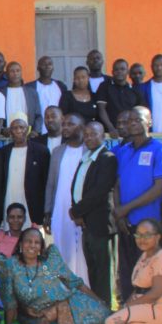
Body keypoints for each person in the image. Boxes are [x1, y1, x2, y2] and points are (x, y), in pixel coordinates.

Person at [0, 228, 111, 324]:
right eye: (28, 241)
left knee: (104, 318)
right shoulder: (11, 265)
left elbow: (75, 282)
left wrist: (99, 301)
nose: (32, 245)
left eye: (37, 242)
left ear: (41, 247)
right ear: (21, 244)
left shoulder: (49, 263)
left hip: (71, 306)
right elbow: (9, 301)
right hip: (36, 318)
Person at [113, 107, 162, 301]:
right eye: (130, 120)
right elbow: (117, 184)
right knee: (127, 273)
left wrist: (126, 209)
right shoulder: (123, 151)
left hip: (147, 225)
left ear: (149, 122)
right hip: (125, 224)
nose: (133, 124)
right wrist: (119, 213)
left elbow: (158, 188)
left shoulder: (159, 150)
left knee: (147, 273)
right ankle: (128, 311)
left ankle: (148, 312)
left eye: (138, 119)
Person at [69, 121, 118, 305]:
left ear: (103, 136)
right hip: (86, 224)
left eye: (93, 134)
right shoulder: (87, 157)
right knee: (93, 270)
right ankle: (97, 308)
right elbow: (79, 187)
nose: (89, 138)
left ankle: (106, 310)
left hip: (100, 225)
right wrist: (78, 213)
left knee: (103, 273)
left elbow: (99, 191)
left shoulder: (107, 158)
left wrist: (76, 210)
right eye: (86, 135)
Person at [44, 113, 88, 282]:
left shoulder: (88, 150)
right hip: (60, 209)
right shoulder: (58, 151)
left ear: (81, 128)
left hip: (82, 211)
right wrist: (47, 211)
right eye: (64, 124)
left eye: (71, 124)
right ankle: (63, 286)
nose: (66, 127)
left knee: (81, 251)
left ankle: (83, 286)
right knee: (62, 248)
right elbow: (50, 183)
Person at [0, 115, 49, 226]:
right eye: (14, 128)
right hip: (9, 199)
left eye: (21, 127)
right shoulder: (3, 152)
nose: (18, 131)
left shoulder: (41, 151)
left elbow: (45, 181)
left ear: (27, 129)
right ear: (10, 131)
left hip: (33, 203)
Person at [96, 58, 144, 139]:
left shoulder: (134, 90)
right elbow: (101, 109)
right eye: (116, 69)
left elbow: (138, 113)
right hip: (110, 134)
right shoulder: (104, 86)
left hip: (130, 134)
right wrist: (111, 128)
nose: (119, 72)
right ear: (112, 72)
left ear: (128, 72)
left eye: (122, 69)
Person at [1, 61, 42, 135]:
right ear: (6, 74)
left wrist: (35, 131)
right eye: (12, 71)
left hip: (28, 135)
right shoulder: (0, 93)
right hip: (7, 136)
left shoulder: (31, 92)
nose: (15, 74)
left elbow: (38, 115)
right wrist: (2, 130)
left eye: (18, 71)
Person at [27, 57, 66, 130]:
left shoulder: (61, 86)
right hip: (37, 130)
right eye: (43, 64)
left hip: (58, 129)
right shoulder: (30, 87)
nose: (47, 66)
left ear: (53, 68)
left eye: (49, 64)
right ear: (38, 68)